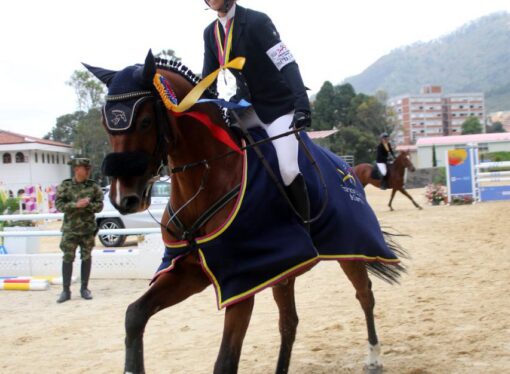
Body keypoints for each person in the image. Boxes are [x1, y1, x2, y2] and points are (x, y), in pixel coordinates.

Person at [202, 0, 311, 226]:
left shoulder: (257, 21)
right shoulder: (210, 33)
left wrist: (302, 105)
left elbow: (287, 64)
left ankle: (306, 230)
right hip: (245, 109)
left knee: (288, 170)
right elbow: (208, 82)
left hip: (277, 108)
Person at [55, 157, 104, 303]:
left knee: (86, 257)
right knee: (67, 258)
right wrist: (75, 205)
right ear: (77, 169)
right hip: (70, 229)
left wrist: (87, 205)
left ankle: (84, 288)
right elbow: (58, 204)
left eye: (88, 168)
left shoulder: (93, 186)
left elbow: (100, 206)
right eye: (85, 168)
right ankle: (65, 291)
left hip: (88, 229)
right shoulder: (66, 185)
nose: (88, 171)